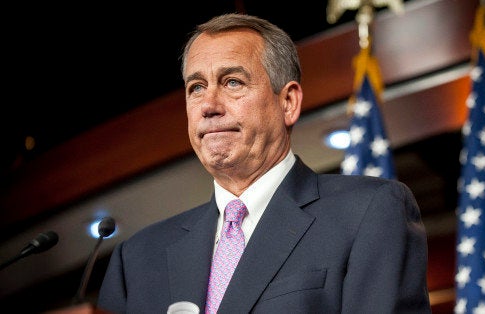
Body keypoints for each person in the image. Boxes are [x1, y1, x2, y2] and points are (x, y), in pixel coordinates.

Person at [97, 13, 431, 314]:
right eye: (196, 87)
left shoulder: (368, 213)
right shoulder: (138, 258)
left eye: (232, 82)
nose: (209, 105)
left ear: (288, 102)